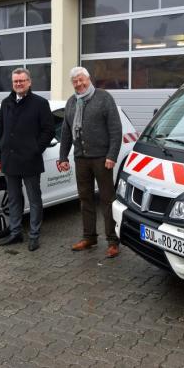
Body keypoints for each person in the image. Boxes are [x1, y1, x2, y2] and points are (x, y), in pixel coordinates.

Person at [57, 67, 123, 258]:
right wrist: (62, 157)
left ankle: (112, 241)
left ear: (89, 79)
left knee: (107, 199)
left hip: (102, 158)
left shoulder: (104, 98)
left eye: (81, 80)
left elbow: (115, 130)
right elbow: (66, 132)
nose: (79, 84)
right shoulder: (71, 102)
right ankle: (89, 237)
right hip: (81, 159)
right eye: (75, 82)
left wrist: (112, 155)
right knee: (85, 198)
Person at [0, 68, 55, 252]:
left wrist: (35, 149)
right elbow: (0, 132)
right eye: (15, 81)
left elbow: (49, 130)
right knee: (13, 199)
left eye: (22, 81)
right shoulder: (6, 103)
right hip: (9, 160)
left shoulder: (40, 103)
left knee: (34, 199)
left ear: (29, 82)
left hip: (30, 160)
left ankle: (34, 235)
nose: (18, 84)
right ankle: (15, 233)